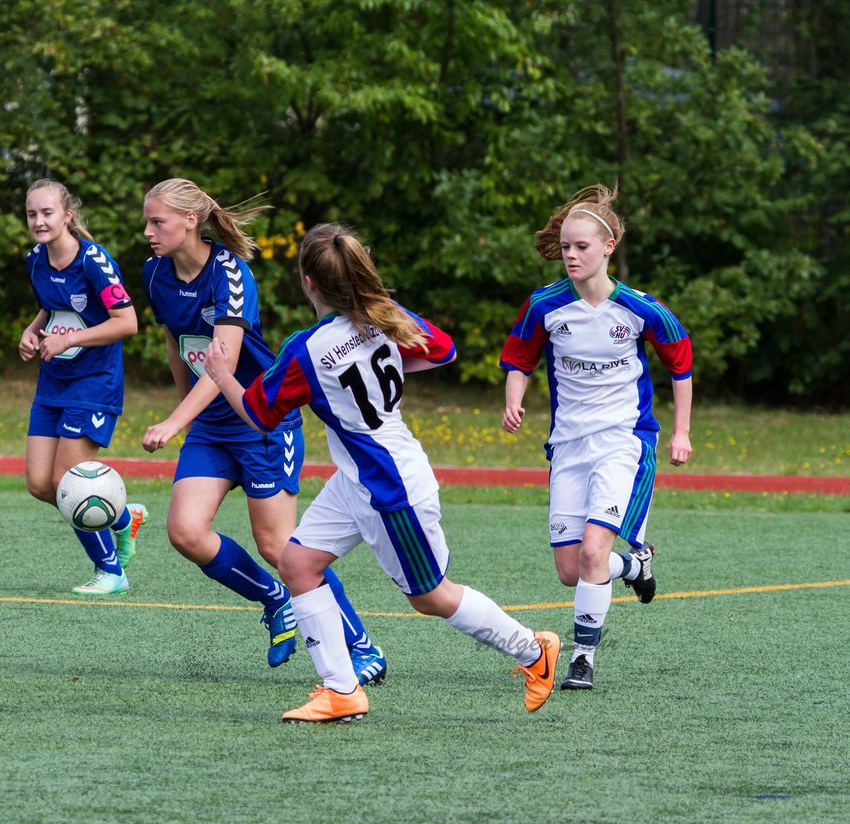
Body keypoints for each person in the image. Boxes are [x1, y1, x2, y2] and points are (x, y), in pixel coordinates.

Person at [204, 222, 561, 722]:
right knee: (297, 565)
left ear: (307, 281)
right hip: (362, 476)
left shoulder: (306, 349)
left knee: (432, 597)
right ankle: (341, 690)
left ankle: (532, 650)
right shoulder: (384, 316)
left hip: (388, 488)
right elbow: (444, 350)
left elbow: (261, 414)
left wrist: (222, 374)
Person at [141, 179, 385, 683]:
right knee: (186, 532)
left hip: (260, 421)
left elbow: (223, 360)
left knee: (280, 547)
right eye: (146, 221)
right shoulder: (154, 274)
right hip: (210, 424)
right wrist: (181, 406)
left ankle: (361, 646)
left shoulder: (230, 272)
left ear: (190, 221)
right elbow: (174, 341)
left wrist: (172, 422)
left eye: (157, 222)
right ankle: (275, 600)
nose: (148, 232)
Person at [500, 184, 693, 690]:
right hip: (567, 446)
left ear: (608, 247)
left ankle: (582, 658)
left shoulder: (640, 308)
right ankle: (634, 564)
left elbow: (681, 363)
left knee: (590, 554)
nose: (570, 255)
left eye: (581, 246)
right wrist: (513, 398)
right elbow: (519, 359)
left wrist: (681, 432)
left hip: (623, 442)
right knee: (571, 569)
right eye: (565, 246)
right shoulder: (544, 306)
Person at [20, 179, 147, 595]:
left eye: (47, 213)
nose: (39, 221)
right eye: (32, 214)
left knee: (66, 481)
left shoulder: (95, 261)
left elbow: (127, 322)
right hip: (53, 381)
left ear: (67, 216)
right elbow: (51, 304)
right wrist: (33, 330)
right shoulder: (35, 260)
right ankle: (123, 516)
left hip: (94, 384)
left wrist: (68, 340)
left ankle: (111, 570)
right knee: (40, 484)